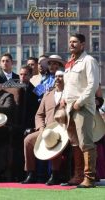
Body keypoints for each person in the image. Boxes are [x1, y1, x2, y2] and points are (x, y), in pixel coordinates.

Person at [62, 33, 100, 188]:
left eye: (75, 42)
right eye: (70, 42)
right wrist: (64, 98)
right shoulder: (69, 64)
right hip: (69, 108)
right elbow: (67, 86)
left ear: (83, 45)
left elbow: (93, 85)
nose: (72, 44)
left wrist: (79, 102)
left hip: (82, 107)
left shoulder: (89, 60)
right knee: (75, 143)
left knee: (86, 143)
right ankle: (78, 176)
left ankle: (89, 178)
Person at [21, 70, 65, 185]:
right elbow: (39, 114)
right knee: (28, 140)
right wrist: (41, 128)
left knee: (55, 141)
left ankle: (55, 175)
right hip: (46, 129)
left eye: (61, 76)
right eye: (56, 76)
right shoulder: (47, 94)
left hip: (64, 131)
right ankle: (31, 173)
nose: (57, 78)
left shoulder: (69, 94)